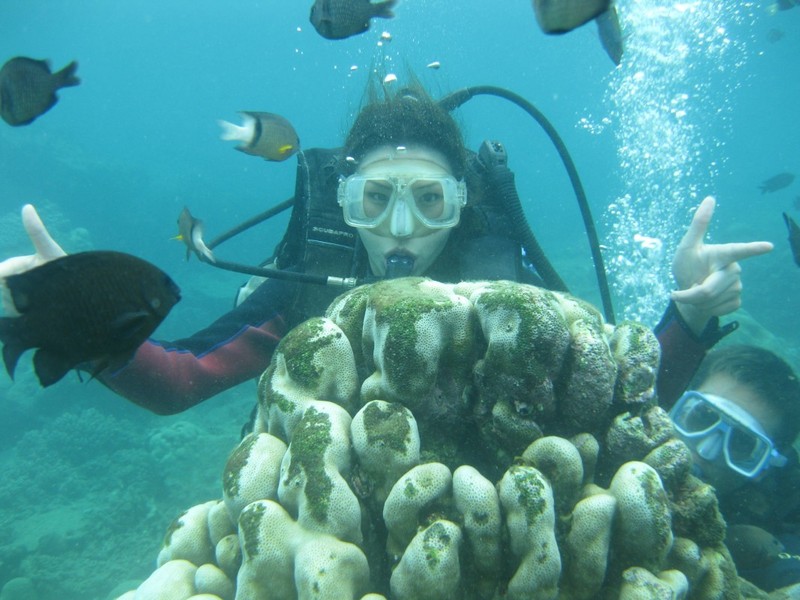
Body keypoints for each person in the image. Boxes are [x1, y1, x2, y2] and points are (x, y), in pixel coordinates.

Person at [0, 81, 774, 415]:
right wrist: (69, 311)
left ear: (464, 205)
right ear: (343, 204)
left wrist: (690, 314)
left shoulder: (504, 280)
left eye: (429, 200)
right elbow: (182, 381)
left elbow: (623, 398)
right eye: (376, 199)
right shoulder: (312, 281)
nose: (401, 229)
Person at [668, 344, 800, 591]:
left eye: (741, 442)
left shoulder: (786, 504)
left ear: (765, 468)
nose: (706, 451)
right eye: (703, 415)